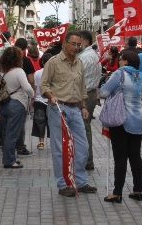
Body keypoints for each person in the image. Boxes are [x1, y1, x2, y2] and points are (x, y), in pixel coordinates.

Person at [41, 31, 97, 197]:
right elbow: (44, 85)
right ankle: (63, 184)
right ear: (65, 44)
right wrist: (51, 96)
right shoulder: (53, 62)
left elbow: (82, 88)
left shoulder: (79, 62)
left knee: (83, 146)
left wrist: (84, 106)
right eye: (73, 44)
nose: (76, 47)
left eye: (79, 44)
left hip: (76, 109)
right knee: (60, 148)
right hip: (58, 108)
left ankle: (80, 181)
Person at [99, 51, 142, 203]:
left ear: (125, 61)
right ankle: (138, 190)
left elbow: (104, 92)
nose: (118, 62)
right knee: (135, 156)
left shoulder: (120, 74)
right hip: (138, 119)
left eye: (120, 59)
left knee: (120, 157)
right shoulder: (140, 76)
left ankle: (117, 193)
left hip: (121, 119)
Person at [0, 47, 35, 169]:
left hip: (4, 104)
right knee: (13, 134)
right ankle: (9, 161)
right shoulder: (19, 71)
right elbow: (27, 88)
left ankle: (9, 158)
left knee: (6, 133)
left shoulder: (4, 72)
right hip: (17, 103)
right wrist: (33, 95)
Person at [78, 30, 103, 171]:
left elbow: (77, 78)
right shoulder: (93, 55)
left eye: (78, 41)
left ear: (85, 41)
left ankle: (87, 160)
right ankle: (87, 159)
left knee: (83, 128)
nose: (76, 45)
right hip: (91, 93)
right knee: (85, 127)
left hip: (85, 94)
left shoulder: (84, 57)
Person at [32, 53, 53, 151]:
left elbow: (35, 88)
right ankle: (53, 142)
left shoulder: (37, 73)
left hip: (39, 100)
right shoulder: (55, 72)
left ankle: (41, 142)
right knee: (52, 122)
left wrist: (33, 99)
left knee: (40, 122)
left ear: (43, 62)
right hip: (51, 100)